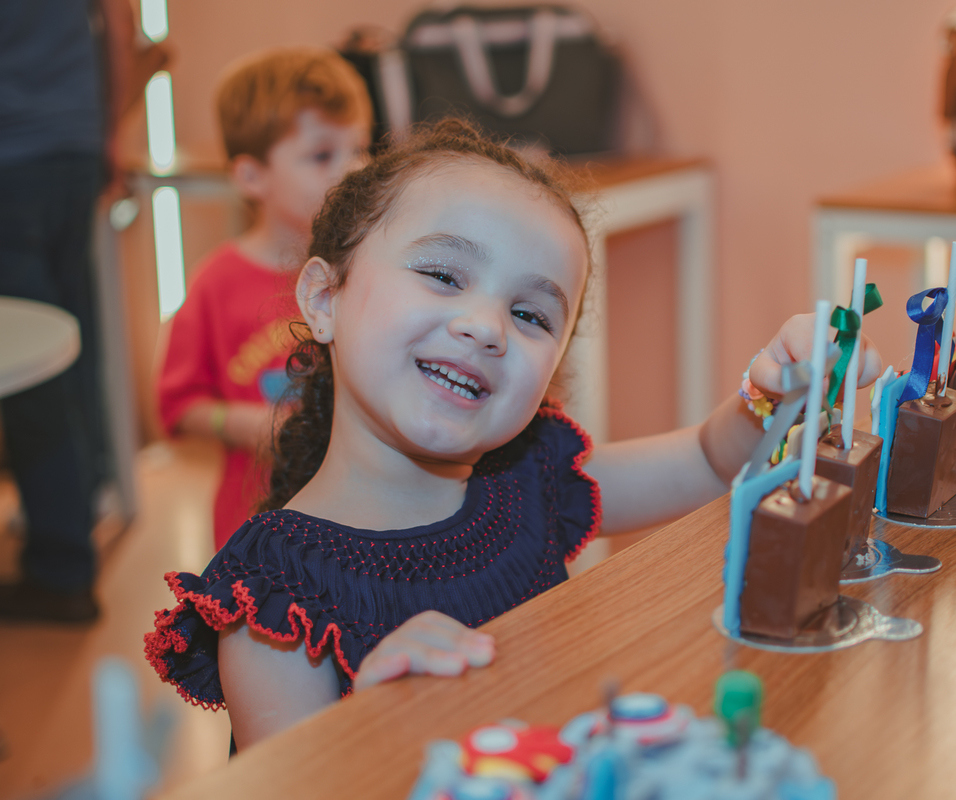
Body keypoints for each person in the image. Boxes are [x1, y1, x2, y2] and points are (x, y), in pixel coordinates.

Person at [145, 119, 882, 750]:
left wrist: (774, 390)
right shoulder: (273, 600)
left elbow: (705, 459)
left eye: (531, 316)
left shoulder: (532, 480)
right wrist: (363, 728)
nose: (486, 325)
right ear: (324, 299)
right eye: (442, 274)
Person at [156, 47, 372, 549]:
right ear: (251, 176)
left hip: (357, 515)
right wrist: (249, 424)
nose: (353, 171)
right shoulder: (215, 283)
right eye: (322, 155)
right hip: (253, 526)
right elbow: (178, 405)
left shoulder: (364, 267)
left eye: (360, 148)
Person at [0, 0, 132, 623]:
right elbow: (121, 19)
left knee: (27, 363)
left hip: (13, 157)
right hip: (74, 144)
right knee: (67, 345)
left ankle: (61, 568)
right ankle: (80, 510)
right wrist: (112, 129)